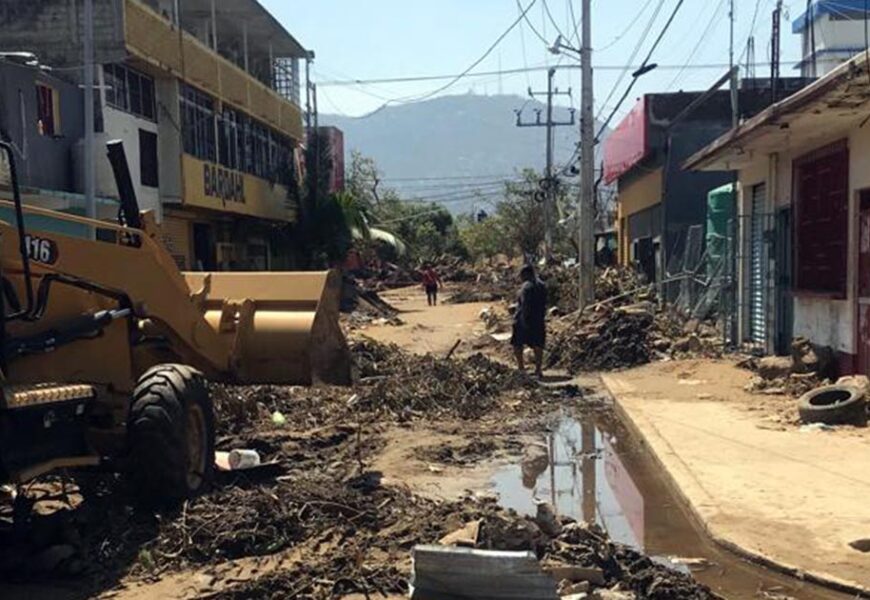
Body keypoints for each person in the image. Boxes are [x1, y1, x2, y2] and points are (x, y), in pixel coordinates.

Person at [511, 264, 547, 378]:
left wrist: (524, 320)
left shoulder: (526, 287)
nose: (520, 278)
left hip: (524, 320)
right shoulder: (542, 285)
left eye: (521, 275)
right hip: (539, 319)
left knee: (517, 343)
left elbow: (525, 304)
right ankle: (538, 369)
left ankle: (521, 368)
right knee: (538, 344)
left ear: (526, 274)